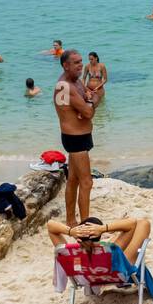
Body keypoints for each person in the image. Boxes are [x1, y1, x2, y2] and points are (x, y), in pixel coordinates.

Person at [54, 49, 98, 224]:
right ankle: (86, 225)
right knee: (87, 182)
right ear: (66, 65)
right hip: (75, 138)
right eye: (76, 62)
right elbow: (88, 112)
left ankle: (71, 220)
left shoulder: (76, 81)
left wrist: (89, 98)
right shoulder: (64, 86)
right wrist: (95, 99)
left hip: (81, 136)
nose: (80, 65)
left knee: (73, 180)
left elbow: (87, 97)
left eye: (81, 61)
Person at [47, 215, 152, 264]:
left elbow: (50, 225)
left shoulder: (70, 254)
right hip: (119, 272)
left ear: (78, 237)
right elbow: (132, 222)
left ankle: (112, 233)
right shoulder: (111, 250)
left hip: (89, 277)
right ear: (99, 236)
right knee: (144, 223)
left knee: (112, 240)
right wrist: (102, 229)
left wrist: (70, 232)